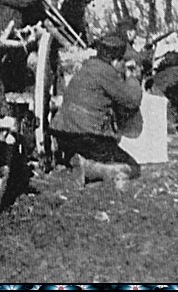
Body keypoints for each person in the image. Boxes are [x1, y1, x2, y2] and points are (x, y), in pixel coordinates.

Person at [50, 34, 144, 189]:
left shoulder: (87, 67)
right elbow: (132, 101)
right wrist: (132, 78)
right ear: (115, 60)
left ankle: (76, 159)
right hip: (88, 136)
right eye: (123, 62)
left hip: (64, 133)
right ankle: (91, 169)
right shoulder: (107, 72)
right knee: (131, 168)